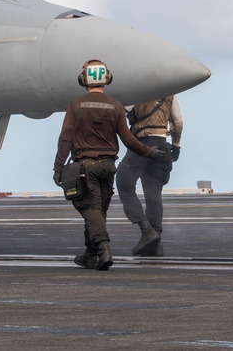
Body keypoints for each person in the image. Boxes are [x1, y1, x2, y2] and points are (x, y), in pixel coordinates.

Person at [53, 59, 167, 271]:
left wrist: (59, 167)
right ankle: (90, 254)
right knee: (99, 210)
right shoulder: (115, 106)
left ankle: (103, 248)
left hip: (85, 166)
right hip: (108, 166)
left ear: (82, 80)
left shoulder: (75, 105)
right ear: (107, 78)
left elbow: (66, 138)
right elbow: (129, 140)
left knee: (89, 207)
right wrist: (148, 152)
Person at [116, 95, 183, 256]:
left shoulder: (141, 89)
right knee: (153, 191)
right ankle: (156, 242)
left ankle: (146, 230)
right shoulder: (171, 93)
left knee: (124, 183)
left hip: (142, 142)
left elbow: (125, 109)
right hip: (162, 143)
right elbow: (178, 123)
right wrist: (176, 145)